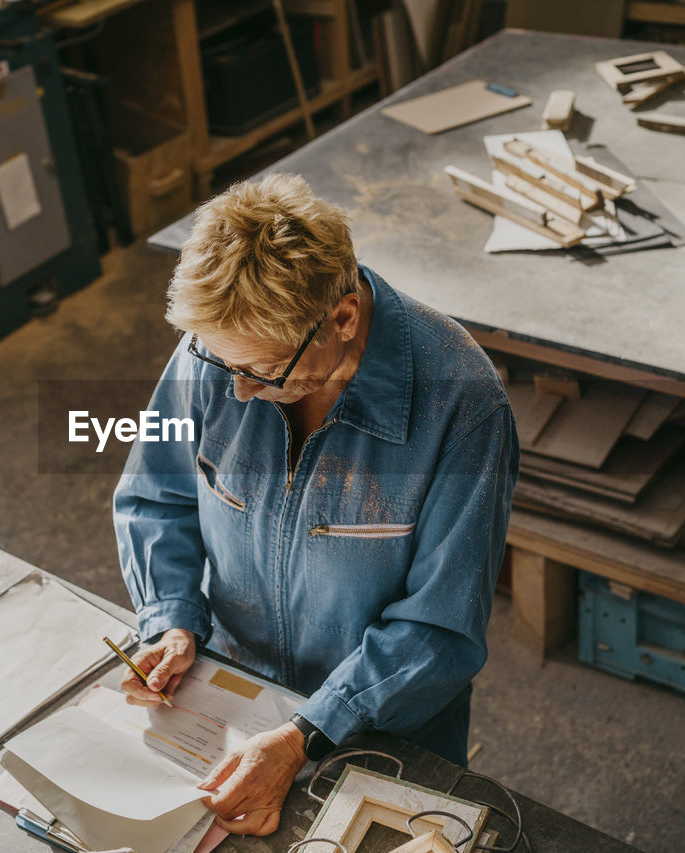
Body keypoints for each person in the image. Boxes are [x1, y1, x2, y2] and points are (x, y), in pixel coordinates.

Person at [113, 173, 518, 837]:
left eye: (262, 372)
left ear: (343, 319)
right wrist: (172, 618)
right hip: (229, 699)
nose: (236, 392)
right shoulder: (219, 353)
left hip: (385, 729)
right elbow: (154, 494)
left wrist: (306, 730)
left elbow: (439, 628)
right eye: (224, 366)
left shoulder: (463, 407)